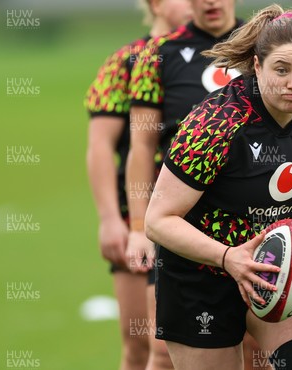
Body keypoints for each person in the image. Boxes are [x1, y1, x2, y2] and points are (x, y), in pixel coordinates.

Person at [143, 4, 292, 370]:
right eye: (282, 70)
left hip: (272, 271)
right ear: (258, 66)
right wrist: (229, 258)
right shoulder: (216, 123)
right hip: (199, 278)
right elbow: (159, 220)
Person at [84, 1, 191, 369]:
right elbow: (99, 146)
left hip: (192, 215)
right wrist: (111, 219)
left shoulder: (213, 59)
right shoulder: (127, 60)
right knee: (139, 342)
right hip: (138, 216)